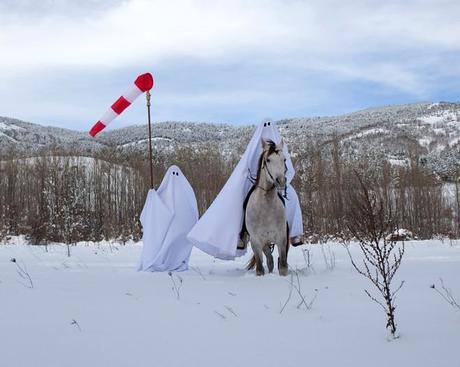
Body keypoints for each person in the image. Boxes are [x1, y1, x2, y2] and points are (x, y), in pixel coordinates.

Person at [187, 119, 303, 260]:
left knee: (293, 197)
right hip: (258, 183)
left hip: (278, 183)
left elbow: (287, 167)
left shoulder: (280, 148)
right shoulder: (256, 146)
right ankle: (242, 233)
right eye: (265, 126)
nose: (267, 129)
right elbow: (248, 164)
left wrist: (283, 179)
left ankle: (295, 233)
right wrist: (256, 179)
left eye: (269, 126)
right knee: (245, 201)